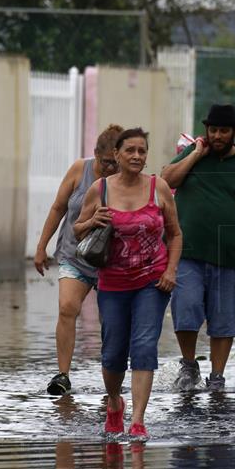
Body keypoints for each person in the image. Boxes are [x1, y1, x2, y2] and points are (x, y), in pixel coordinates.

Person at [74, 128, 182, 440]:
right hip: (113, 282)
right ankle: (113, 403)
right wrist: (93, 221)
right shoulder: (100, 189)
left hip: (152, 281)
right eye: (130, 150)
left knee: (145, 346)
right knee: (112, 353)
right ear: (118, 155)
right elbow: (78, 230)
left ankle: (137, 420)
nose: (137, 156)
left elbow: (175, 234)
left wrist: (171, 270)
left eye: (142, 151)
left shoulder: (158, 188)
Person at [160, 104, 235, 392]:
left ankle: (217, 376)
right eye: (212, 130)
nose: (217, 136)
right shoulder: (193, 155)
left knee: (224, 319)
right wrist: (196, 154)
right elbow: (166, 180)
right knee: (186, 308)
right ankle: (189, 365)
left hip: (231, 254)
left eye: (223, 131)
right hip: (188, 253)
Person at [35, 124, 124, 395]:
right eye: (105, 162)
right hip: (75, 255)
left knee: (112, 321)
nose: (110, 168)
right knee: (67, 308)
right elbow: (59, 207)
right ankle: (62, 374)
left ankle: (111, 379)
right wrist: (42, 247)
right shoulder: (79, 170)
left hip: (112, 261)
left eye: (115, 163)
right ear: (95, 153)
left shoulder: (128, 179)